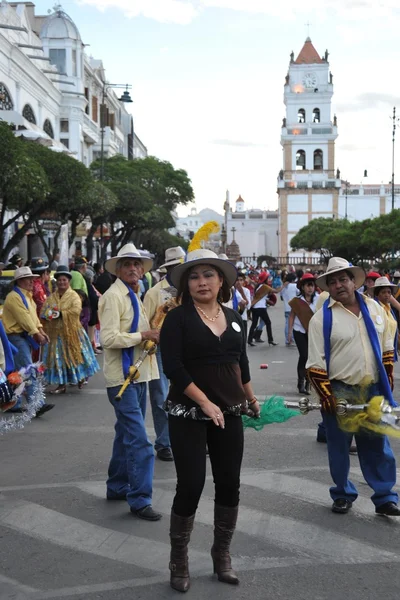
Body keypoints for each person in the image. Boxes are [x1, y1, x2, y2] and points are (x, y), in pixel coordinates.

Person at [160, 248, 260, 592]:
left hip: (229, 411)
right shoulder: (177, 318)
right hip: (188, 411)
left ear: (221, 281)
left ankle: (222, 555)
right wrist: (204, 403)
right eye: (194, 276)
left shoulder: (234, 317)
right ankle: (179, 561)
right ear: (186, 284)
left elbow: (241, 362)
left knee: (229, 482)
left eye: (208, 275)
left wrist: (250, 397)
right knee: (191, 485)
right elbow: (173, 367)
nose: (202, 282)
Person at [307, 257, 400, 516]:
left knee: (378, 444)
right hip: (340, 389)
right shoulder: (321, 319)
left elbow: (387, 344)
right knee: (339, 446)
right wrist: (326, 395)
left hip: (374, 387)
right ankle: (343, 493)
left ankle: (385, 497)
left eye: (343, 279)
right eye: (333, 281)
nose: (339, 285)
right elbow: (315, 362)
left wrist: (387, 377)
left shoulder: (375, 308)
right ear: (327, 287)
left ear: (354, 281)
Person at [98, 243, 161, 521]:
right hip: (121, 378)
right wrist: (143, 335)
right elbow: (108, 339)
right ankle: (139, 499)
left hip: (138, 373)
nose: (134, 269)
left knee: (125, 434)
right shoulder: (113, 297)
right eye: (127, 264)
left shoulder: (135, 294)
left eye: (137, 264)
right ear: (118, 269)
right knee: (141, 442)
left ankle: (116, 486)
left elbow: (141, 334)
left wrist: (149, 338)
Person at [144, 246, 186, 462]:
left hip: (185, 348)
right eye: (177, 268)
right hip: (159, 349)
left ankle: (187, 439)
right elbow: (146, 322)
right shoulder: (154, 293)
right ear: (169, 268)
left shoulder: (190, 290)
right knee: (161, 395)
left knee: (189, 393)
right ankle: (164, 442)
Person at [2, 266, 53, 416]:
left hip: (22, 337)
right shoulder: (14, 297)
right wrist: (37, 334)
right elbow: (25, 319)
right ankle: (36, 404)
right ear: (20, 281)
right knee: (28, 370)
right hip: (16, 337)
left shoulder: (27, 296)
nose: (32, 281)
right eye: (28, 279)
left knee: (18, 372)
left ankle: (14, 402)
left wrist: (41, 331)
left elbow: (33, 318)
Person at [41, 266, 99, 393]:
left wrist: (61, 314)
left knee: (76, 357)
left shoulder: (74, 296)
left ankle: (80, 378)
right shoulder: (51, 297)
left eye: (64, 280)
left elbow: (76, 310)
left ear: (68, 282)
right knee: (58, 360)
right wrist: (48, 314)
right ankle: (61, 385)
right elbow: (44, 311)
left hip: (73, 333)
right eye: (60, 280)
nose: (62, 282)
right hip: (56, 334)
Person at [288, 273, 319, 394]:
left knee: (310, 358)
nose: (310, 288)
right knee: (304, 355)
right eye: (308, 285)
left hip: (312, 332)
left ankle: (308, 383)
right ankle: (301, 382)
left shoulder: (318, 300)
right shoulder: (297, 301)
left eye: (312, 285)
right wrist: (289, 333)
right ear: (302, 287)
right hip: (299, 331)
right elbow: (292, 316)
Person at [247, 271, 282, 346]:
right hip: (261, 308)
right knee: (268, 323)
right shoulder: (265, 287)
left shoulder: (259, 286)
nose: (268, 279)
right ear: (265, 279)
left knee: (254, 324)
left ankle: (249, 340)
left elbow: (261, 297)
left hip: (255, 307)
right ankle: (270, 340)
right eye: (267, 278)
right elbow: (276, 291)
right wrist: (284, 285)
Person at [373, 276, 398, 361]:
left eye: (389, 292)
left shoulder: (389, 309)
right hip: (380, 353)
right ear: (377, 294)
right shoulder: (375, 309)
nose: (387, 295)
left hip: (390, 351)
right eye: (383, 292)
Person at [280, 272, 297, 345]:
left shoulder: (283, 287)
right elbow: (299, 293)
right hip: (293, 308)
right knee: (293, 324)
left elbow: (281, 297)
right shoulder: (295, 286)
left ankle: (287, 339)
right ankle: (291, 339)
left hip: (286, 308)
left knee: (287, 323)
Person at [235, 273, 251, 337]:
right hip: (234, 319)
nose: (239, 282)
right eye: (237, 280)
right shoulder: (233, 290)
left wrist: (242, 292)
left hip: (243, 318)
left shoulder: (246, 290)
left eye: (241, 280)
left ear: (243, 281)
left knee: (243, 340)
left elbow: (248, 306)